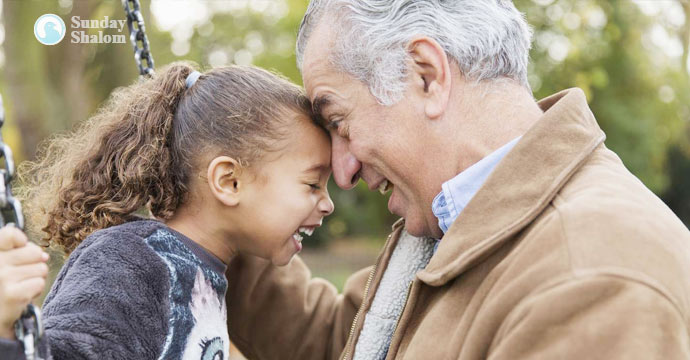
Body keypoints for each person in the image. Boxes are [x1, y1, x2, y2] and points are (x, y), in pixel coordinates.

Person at [223, 1, 690, 359]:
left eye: (340, 122)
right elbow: (344, 337)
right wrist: (218, 210)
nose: (342, 172)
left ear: (427, 74)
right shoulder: (464, 218)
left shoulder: (591, 279)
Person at [0, 62, 334, 359]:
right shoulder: (130, 263)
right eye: (312, 184)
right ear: (229, 181)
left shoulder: (203, 268)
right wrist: (5, 330)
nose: (328, 204)